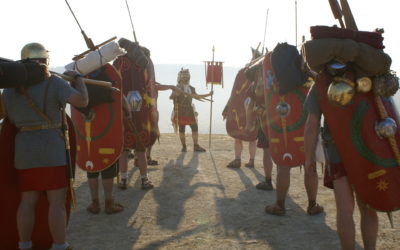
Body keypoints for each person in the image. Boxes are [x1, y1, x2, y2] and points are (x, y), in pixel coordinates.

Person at [1, 43, 88, 250]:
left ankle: (24, 245)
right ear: (45, 61)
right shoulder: (55, 83)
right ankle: (59, 245)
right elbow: (82, 101)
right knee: (56, 202)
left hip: (23, 151)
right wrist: (79, 80)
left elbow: (2, 115)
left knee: (27, 201)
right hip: (52, 150)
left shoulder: (10, 89)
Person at [304, 84, 378, 249]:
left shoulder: (323, 80)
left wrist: (309, 157)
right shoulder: (366, 75)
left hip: (338, 151)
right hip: (366, 152)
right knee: (367, 208)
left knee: (345, 211)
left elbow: (312, 123)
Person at [170, 68, 213, 152]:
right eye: (183, 77)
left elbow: (197, 96)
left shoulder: (191, 88)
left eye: (186, 77)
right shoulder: (176, 88)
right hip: (180, 111)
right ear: (180, 78)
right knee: (182, 129)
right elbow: (171, 97)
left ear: (189, 78)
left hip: (189, 110)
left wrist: (209, 94)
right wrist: (176, 93)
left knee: (194, 128)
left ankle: (196, 146)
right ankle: (184, 147)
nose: (185, 78)